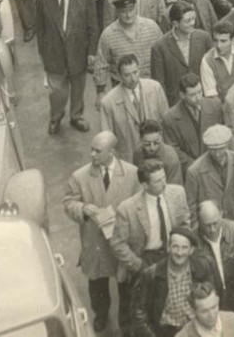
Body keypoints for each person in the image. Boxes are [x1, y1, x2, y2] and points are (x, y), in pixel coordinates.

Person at [64, 131, 140, 333]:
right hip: (95, 239)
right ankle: (101, 315)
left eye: (97, 151)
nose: (92, 154)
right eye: (91, 149)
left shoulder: (132, 174)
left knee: (126, 285)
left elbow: (140, 203)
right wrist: (82, 209)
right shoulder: (80, 176)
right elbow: (68, 202)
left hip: (122, 239)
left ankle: (126, 320)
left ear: (112, 152)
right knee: (97, 285)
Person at [34, 0, 99, 135]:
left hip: (79, 52)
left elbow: (93, 27)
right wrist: (43, 54)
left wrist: (92, 52)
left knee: (78, 87)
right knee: (57, 92)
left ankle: (76, 116)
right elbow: (40, 29)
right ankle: (56, 117)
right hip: (54, 54)